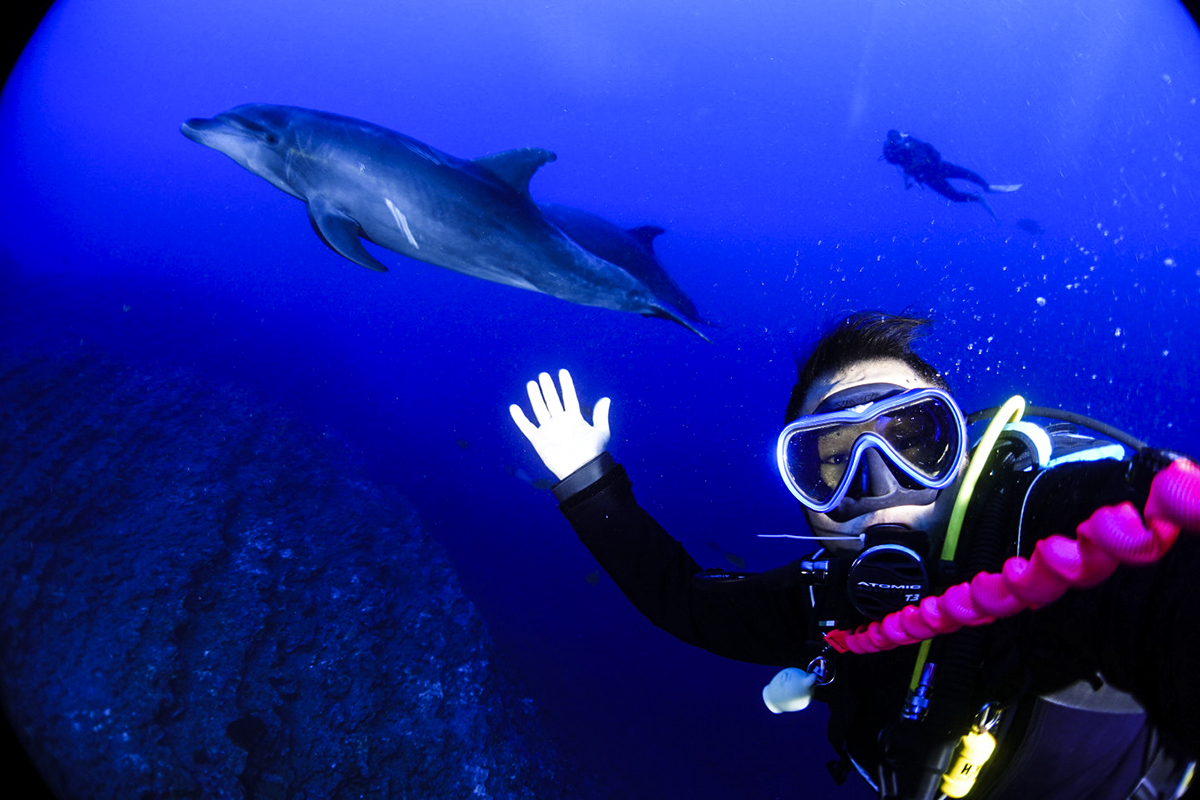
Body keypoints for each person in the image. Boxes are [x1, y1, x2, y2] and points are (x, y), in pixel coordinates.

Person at [508, 312, 1200, 800]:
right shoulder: (821, 600)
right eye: (832, 461)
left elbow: (1165, 586)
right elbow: (681, 600)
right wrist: (586, 478)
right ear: (804, 497)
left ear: (960, 454)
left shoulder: (1052, 535)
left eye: (912, 438)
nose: (879, 483)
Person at [881, 131, 1021, 220]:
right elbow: (891, 160)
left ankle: (987, 187)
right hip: (932, 175)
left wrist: (908, 144)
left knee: (966, 175)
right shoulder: (896, 153)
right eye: (894, 140)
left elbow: (931, 149)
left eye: (897, 139)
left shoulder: (911, 143)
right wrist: (889, 148)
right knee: (957, 191)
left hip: (936, 170)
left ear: (900, 136)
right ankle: (980, 197)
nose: (897, 142)